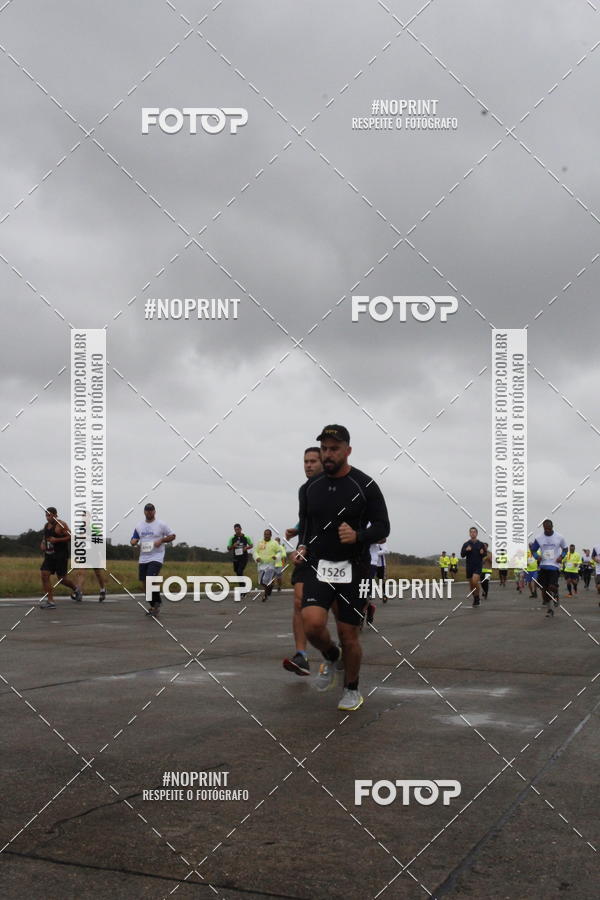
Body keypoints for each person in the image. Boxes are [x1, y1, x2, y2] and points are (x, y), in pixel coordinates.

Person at [295, 424, 390, 711]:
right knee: (312, 625)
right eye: (324, 448)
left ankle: (351, 689)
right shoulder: (309, 488)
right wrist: (302, 546)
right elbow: (307, 525)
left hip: (355, 566)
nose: (327, 454)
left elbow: (383, 527)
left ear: (347, 451)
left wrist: (358, 536)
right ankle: (330, 654)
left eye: (334, 449)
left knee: (349, 634)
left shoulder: (365, 485)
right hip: (319, 565)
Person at [282, 446, 324, 676]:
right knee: (298, 602)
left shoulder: (333, 488)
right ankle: (302, 656)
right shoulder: (304, 490)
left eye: (313, 461)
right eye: (305, 461)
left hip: (329, 555)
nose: (308, 465)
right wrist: (298, 534)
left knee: (330, 611)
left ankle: (336, 652)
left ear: (323, 463)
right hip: (306, 552)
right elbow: (307, 520)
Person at [130, 503, 175, 617]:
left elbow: (172, 535)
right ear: (144, 512)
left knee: (150, 578)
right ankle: (154, 604)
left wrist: (162, 540)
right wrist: (133, 542)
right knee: (144, 583)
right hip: (143, 557)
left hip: (156, 557)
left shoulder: (161, 524)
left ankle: (155, 605)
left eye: (151, 510)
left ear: (155, 512)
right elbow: (134, 538)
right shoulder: (139, 525)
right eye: (147, 510)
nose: (149, 512)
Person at [39, 507, 82, 609]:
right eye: (46, 515)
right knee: (44, 575)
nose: (47, 517)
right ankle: (50, 601)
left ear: (55, 515)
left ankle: (76, 589)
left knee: (62, 579)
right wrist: (42, 544)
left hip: (60, 555)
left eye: (49, 515)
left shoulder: (61, 525)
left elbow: (71, 536)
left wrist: (57, 540)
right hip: (49, 555)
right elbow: (45, 537)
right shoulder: (46, 525)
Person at [529, 519, 567, 618]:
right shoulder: (539, 538)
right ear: (543, 528)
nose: (548, 530)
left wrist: (561, 557)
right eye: (546, 529)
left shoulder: (559, 537)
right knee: (544, 589)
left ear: (552, 527)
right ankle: (550, 610)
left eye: (549, 528)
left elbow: (565, 548)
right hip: (543, 566)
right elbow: (533, 550)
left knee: (552, 586)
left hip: (554, 566)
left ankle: (556, 594)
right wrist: (537, 557)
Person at [460, 527, 486, 606]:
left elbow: (485, 554)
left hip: (478, 566)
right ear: (469, 533)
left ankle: (477, 597)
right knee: (471, 585)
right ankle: (475, 598)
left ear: (477, 533)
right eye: (471, 532)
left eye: (474, 532)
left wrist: (482, 553)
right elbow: (462, 555)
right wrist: (466, 550)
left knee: (475, 581)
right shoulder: (466, 544)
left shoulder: (481, 544)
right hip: (469, 566)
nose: (473, 533)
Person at [254, 529, 280, 602]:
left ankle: (265, 595)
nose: (266, 535)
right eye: (265, 534)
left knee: (265, 580)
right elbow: (255, 551)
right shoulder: (260, 542)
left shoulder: (274, 543)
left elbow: (279, 552)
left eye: (268, 534)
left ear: (271, 535)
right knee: (261, 582)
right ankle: (270, 586)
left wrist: (276, 556)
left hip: (270, 565)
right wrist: (257, 557)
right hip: (261, 565)